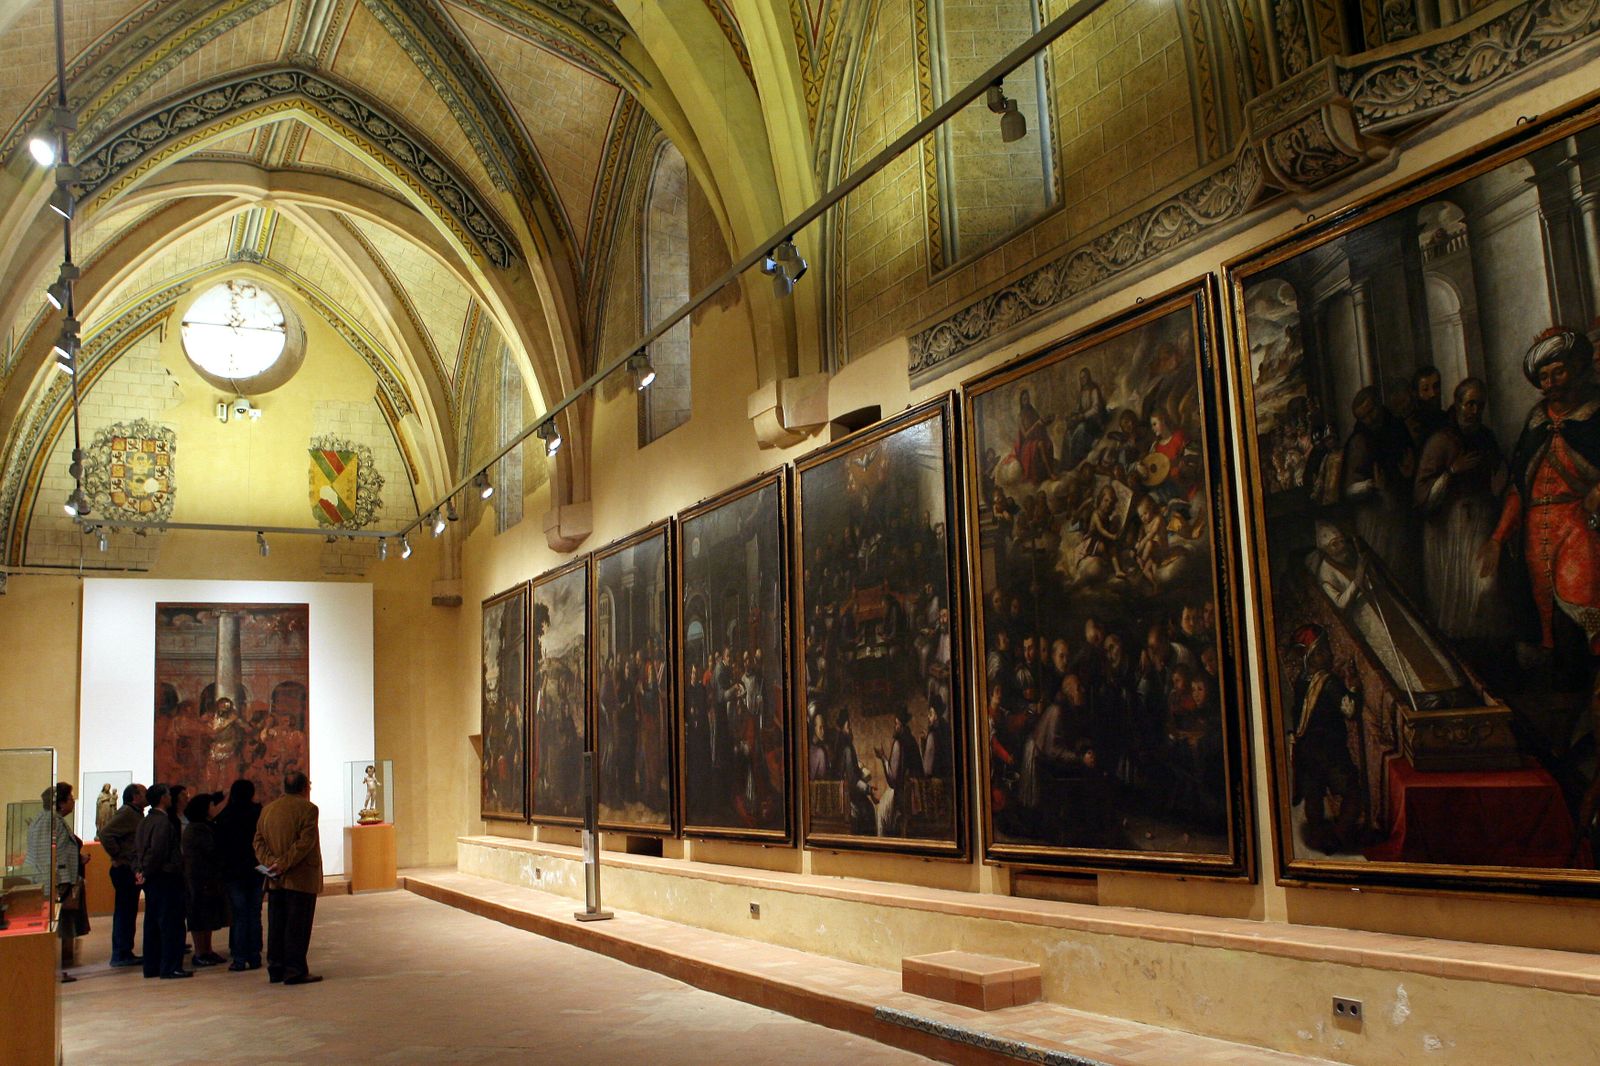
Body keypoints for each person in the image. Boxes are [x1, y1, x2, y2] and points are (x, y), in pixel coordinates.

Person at [254, 771, 324, 985]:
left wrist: (271, 863)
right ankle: (294, 970)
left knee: (276, 925)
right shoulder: (308, 809)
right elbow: (305, 843)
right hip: (300, 879)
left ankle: (275, 968)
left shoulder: (268, 809)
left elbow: (258, 842)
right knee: (297, 926)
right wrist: (283, 864)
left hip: (275, 879)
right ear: (305, 788)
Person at [28, 783, 87, 982]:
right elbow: (52, 855)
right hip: (54, 881)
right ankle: (52, 970)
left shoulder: (46, 820)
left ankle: (54, 968)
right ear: (61, 803)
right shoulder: (51, 822)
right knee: (56, 925)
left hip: (52, 879)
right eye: (70, 798)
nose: (73, 801)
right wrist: (63, 881)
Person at [133, 783, 190, 978]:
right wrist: (146, 871)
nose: (171, 797)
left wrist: (139, 871)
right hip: (166, 878)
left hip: (153, 878)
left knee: (153, 923)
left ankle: (152, 966)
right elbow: (158, 852)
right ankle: (170, 966)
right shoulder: (163, 822)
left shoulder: (145, 821)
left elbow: (137, 850)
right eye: (168, 795)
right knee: (171, 924)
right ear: (163, 798)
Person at [214, 778, 264, 971]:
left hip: (233, 872)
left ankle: (240, 957)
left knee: (239, 915)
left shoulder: (226, 816)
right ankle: (255, 955)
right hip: (255, 869)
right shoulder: (258, 813)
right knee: (254, 915)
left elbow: (220, 846)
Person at [98, 782, 147, 968]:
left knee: (128, 911)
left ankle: (125, 951)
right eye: (143, 792)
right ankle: (121, 953)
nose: (147, 795)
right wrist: (118, 854)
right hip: (125, 869)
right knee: (125, 911)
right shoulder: (127, 813)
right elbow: (105, 833)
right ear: (135, 796)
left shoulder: (134, 813)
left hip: (129, 868)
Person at [182, 793, 228, 967]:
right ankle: (200, 952)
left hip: (206, 877)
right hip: (199, 879)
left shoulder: (203, 827)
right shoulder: (198, 829)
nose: (214, 808)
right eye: (211, 805)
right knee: (199, 917)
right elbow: (211, 850)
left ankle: (207, 950)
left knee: (208, 916)